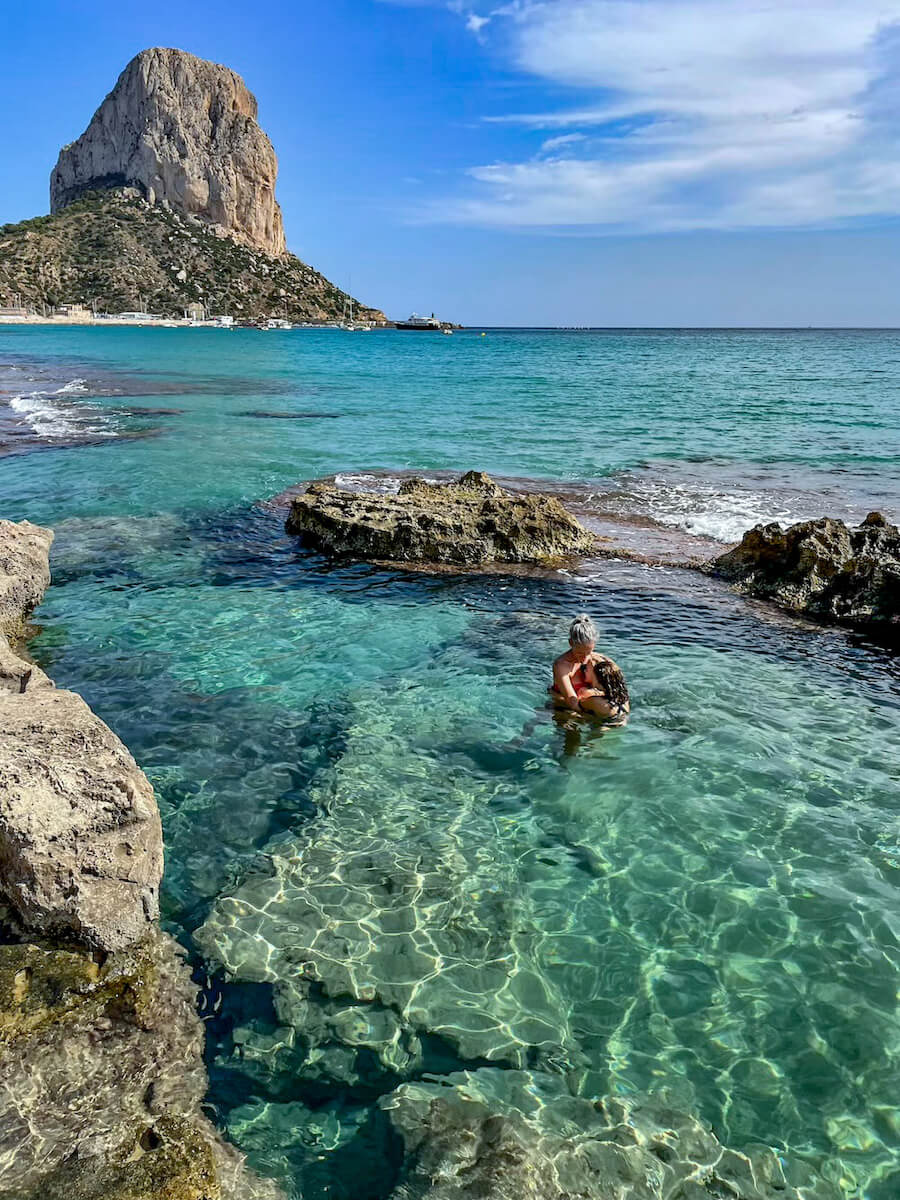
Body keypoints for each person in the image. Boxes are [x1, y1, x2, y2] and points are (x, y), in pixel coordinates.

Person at [550, 614, 630, 722]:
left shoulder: (602, 661)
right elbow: (572, 702)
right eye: (579, 653)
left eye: (589, 652)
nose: (585, 658)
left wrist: (594, 695)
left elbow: (620, 691)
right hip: (565, 710)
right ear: (570, 643)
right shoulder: (561, 665)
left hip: (595, 711)